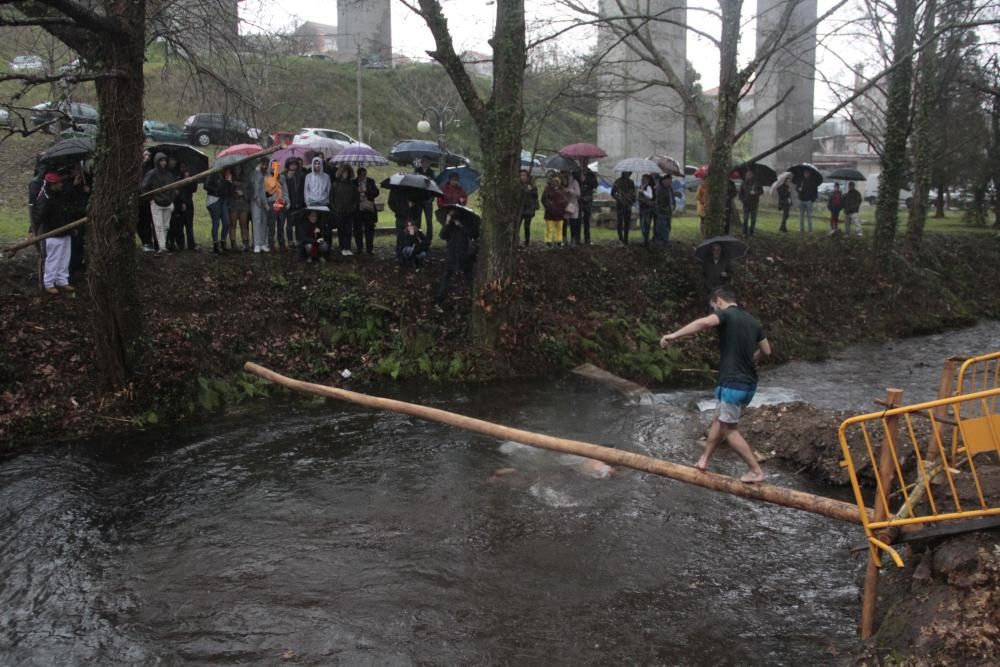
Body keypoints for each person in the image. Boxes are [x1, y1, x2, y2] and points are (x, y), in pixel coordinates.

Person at [660, 286, 770, 483]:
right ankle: (704, 459)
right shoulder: (753, 322)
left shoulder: (726, 315)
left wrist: (673, 335)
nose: (714, 312)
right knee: (718, 420)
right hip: (747, 384)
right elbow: (767, 350)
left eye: (714, 307)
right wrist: (755, 357)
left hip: (732, 383)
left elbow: (703, 323)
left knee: (729, 429)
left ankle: (756, 471)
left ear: (719, 300)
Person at [34, 171, 75, 293]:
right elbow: (38, 216)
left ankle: (62, 281)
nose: (61, 184)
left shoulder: (59, 194)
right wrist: (32, 230)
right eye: (59, 183)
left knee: (64, 258)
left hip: (65, 231)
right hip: (53, 233)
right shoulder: (45, 198)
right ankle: (49, 283)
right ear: (53, 184)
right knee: (53, 259)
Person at [140, 152, 177, 257]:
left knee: (166, 226)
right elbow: (144, 187)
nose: (164, 163)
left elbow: (173, 188)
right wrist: (151, 199)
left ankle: (163, 246)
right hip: (156, 203)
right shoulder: (151, 173)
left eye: (165, 160)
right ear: (157, 161)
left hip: (168, 203)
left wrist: (171, 199)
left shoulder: (169, 174)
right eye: (161, 160)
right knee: (158, 226)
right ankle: (161, 247)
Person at [436, 209, 477, 304]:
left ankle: (475, 295)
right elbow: (442, 235)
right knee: (447, 275)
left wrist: (461, 226)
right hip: (452, 254)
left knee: (469, 276)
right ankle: (439, 298)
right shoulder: (450, 225)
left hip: (465, 254)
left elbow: (473, 234)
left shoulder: (466, 222)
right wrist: (447, 222)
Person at [279, 158, 305, 251]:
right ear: (288, 165)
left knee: (299, 224)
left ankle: (298, 241)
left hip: (299, 203)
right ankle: (290, 241)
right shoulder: (283, 175)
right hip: (289, 204)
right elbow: (282, 189)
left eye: (295, 164)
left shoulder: (301, 175)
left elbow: (303, 189)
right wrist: (288, 178)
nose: (293, 166)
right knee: (289, 224)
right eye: (291, 164)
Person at [304, 156, 331, 245]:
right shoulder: (308, 176)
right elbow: (306, 190)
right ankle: (312, 244)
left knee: (323, 224)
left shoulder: (326, 177)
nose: (317, 165)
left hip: (323, 203)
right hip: (312, 202)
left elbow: (329, 190)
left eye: (319, 163)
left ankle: (325, 245)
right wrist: (307, 201)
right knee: (312, 225)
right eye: (315, 163)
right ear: (312, 164)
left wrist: (326, 200)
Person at [332, 164, 357, 256]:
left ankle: (347, 247)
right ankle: (342, 247)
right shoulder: (335, 184)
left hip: (350, 211)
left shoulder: (352, 185)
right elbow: (332, 198)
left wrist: (354, 207)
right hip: (339, 211)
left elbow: (356, 198)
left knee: (348, 231)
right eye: (343, 172)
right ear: (340, 173)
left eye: (347, 172)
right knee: (341, 230)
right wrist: (335, 208)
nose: (345, 174)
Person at [353, 167, 380, 255]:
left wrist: (367, 191)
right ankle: (359, 249)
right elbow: (351, 195)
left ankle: (369, 249)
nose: (363, 177)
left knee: (369, 230)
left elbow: (376, 192)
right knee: (357, 230)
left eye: (364, 175)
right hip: (357, 210)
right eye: (361, 175)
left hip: (368, 209)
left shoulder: (370, 181)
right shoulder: (354, 182)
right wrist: (357, 191)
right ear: (358, 175)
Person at [204, 168, 231, 254]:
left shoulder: (227, 174)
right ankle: (216, 244)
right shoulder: (212, 173)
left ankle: (223, 242)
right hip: (214, 199)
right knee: (216, 222)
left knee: (226, 222)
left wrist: (229, 181)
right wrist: (216, 190)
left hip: (223, 200)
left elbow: (228, 189)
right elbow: (206, 186)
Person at [227, 164, 251, 252]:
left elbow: (250, 192)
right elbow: (226, 192)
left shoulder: (246, 178)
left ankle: (246, 244)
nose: (237, 169)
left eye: (239, 167)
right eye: (235, 167)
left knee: (243, 224)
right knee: (232, 224)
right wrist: (230, 184)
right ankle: (234, 245)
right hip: (233, 204)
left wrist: (243, 193)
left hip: (243, 204)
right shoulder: (229, 178)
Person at [249, 159, 270, 253]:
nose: (264, 166)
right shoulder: (253, 174)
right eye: (263, 164)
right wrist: (256, 198)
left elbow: (268, 189)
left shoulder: (268, 175)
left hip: (265, 201)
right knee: (257, 221)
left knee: (264, 222)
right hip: (255, 201)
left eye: (266, 165)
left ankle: (263, 243)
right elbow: (252, 187)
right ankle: (257, 244)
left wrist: (265, 202)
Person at [175, 162, 197, 250]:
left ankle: (191, 245)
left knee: (189, 225)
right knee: (179, 225)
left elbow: (194, 189)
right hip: (179, 203)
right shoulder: (177, 177)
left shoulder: (191, 177)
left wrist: (189, 180)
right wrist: (182, 202)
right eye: (181, 167)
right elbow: (178, 191)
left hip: (189, 203)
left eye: (184, 166)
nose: (183, 169)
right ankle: (180, 245)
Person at [540, 175, 568, 248]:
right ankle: (548, 242)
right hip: (550, 212)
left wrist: (562, 207)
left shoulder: (562, 190)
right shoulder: (547, 190)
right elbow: (543, 200)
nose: (555, 183)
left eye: (557, 181)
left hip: (560, 213)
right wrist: (549, 207)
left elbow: (565, 201)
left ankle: (558, 242)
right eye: (554, 181)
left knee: (559, 228)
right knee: (549, 228)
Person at [611, 171, 636, 244]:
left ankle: (626, 238)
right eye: (628, 173)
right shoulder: (618, 181)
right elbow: (612, 193)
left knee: (627, 222)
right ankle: (620, 238)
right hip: (620, 205)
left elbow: (633, 193)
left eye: (629, 174)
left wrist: (632, 200)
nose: (628, 175)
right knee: (620, 222)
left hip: (628, 205)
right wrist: (619, 198)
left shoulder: (631, 182)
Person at [414, 156, 436, 241]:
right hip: (418, 198)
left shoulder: (431, 172)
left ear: (429, 163)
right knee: (417, 219)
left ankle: (429, 237)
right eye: (423, 161)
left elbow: (434, 185)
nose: (425, 163)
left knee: (429, 220)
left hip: (428, 198)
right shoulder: (417, 170)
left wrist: (432, 197)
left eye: (427, 162)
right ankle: (418, 236)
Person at [518, 169, 538, 246]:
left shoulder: (532, 186)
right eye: (521, 175)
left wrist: (531, 190)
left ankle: (527, 242)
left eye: (524, 175)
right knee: (517, 226)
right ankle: (516, 241)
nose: (523, 177)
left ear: (527, 176)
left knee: (527, 226)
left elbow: (535, 197)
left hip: (528, 210)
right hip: (520, 209)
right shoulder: (518, 186)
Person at [739, 170, 763, 237]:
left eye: (749, 174)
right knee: (745, 219)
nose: (748, 176)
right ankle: (744, 232)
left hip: (754, 204)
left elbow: (761, 191)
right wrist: (743, 200)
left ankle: (751, 232)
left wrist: (755, 193)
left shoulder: (757, 183)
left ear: (752, 175)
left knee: (753, 219)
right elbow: (740, 195)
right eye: (747, 174)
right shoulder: (743, 183)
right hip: (746, 204)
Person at [578, 167, 598, 244]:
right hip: (578, 200)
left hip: (587, 199)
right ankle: (577, 238)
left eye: (586, 159)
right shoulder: (576, 172)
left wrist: (586, 179)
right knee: (578, 220)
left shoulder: (591, 174)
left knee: (587, 220)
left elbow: (595, 185)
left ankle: (587, 239)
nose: (584, 161)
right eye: (582, 160)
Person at [653, 173, 675, 246]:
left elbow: (672, 198)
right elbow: (659, 202)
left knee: (667, 226)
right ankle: (660, 241)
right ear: (664, 180)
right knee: (661, 226)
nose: (671, 181)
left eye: (671, 179)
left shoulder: (670, 188)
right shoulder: (660, 189)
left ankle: (666, 240)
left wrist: (673, 206)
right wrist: (666, 208)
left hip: (669, 211)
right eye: (669, 180)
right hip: (662, 211)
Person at [561, 170, 581, 245]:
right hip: (564, 206)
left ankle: (573, 240)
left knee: (573, 224)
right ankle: (564, 239)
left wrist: (570, 191)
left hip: (573, 205)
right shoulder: (561, 182)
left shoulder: (574, 182)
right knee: (563, 223)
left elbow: (578, 194)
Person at [637, 174, 655, 246]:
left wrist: (643, 192)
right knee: (642, 224)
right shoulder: (641, 187)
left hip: (647, 209)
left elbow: (650, 196)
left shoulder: (648, 187)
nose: (642, 180)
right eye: (642, 178)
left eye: (644, 179)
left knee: (646, 224)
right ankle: (644, 239)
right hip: (642, 208)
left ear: (647, 180)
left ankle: (646, 240)